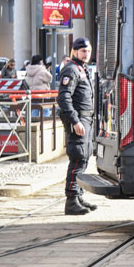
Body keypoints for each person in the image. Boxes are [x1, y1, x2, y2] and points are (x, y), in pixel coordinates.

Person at [58, 37, 95, 215]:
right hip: (79, 119)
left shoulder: (82, 68)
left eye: (88, 51)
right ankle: (71, 201)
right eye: (83, 51)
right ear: (75, 52)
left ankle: (78, 196)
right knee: (78, 157)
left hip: (86, 119)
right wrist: (75, 121)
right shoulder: (71, 69)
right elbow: (63, 97)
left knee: (84, 157)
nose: (86, 54)